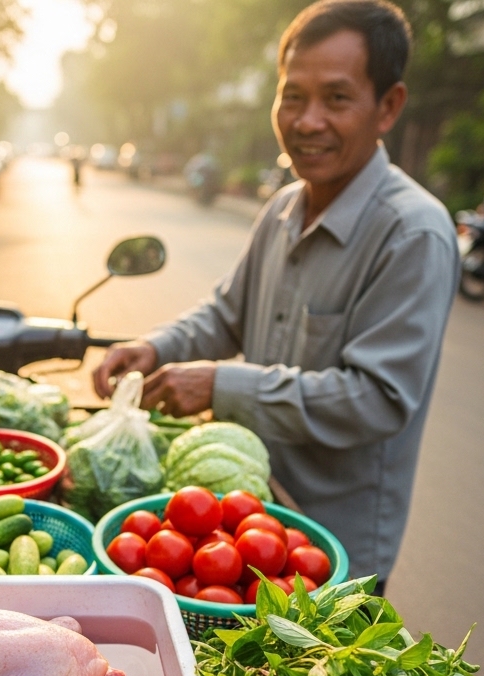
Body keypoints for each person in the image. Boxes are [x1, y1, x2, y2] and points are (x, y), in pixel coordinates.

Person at [92, 0, 459, 591]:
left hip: (330, 557)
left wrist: (219, 385)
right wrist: (155, 348)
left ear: (387, 106)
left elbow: (376, 398)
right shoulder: (283, 208)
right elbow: (227, 314)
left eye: (336, 99)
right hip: (249, 527)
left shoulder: (413, 232)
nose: (307, 120)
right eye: (293, 96)